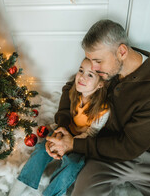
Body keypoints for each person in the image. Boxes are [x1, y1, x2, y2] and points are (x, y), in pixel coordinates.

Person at [46, 19, 150, 196]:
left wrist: (74, 144)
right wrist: (63, 128)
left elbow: (129, 147)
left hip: (142, 154)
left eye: (97, 61)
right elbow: (69, 88)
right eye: (89, 60)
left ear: (122, 52)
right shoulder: (107, 68)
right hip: (105, 151)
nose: (93, 68)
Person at [9, 58, 110, 196]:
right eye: (81, 70)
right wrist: (57, 137)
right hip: (65, 132)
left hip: (82, 142)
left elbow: (92, 132)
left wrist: (67, 144)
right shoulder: (72, 93)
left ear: (100, 84)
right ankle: (19, 187)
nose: (82, 76)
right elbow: (64, 117)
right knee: (41, 150)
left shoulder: (103, 109)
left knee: (73, 165)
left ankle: (51, 193)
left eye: (90, 75)